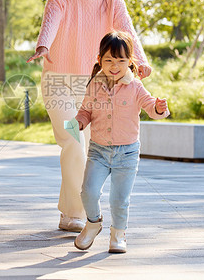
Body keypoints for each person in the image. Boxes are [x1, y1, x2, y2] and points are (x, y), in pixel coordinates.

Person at [27, 0, 153, 233]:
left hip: (94, 86)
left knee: (82, 147)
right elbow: (51, 23)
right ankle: (74, 213)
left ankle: (69, 212)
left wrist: (141, 60)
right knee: (74, 142)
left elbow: (127, 31)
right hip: (59, 83)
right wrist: (43, 46)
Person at [73, 31, 169, 253]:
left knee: (119, 199)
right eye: (108, 60)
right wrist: (79, 122)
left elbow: (149, 105)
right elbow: (85, 110)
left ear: (130, 61)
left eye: (121, 60)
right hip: (98, 150)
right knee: (88, 191)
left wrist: (158, 108)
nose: (114, 66)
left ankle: (118, 234)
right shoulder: (94, 85)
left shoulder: (135, 86)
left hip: (127, 153)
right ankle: (93, 223)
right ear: (100, 60)